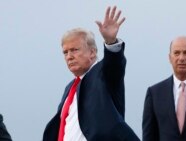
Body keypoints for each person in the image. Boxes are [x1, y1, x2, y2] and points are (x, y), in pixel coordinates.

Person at [43, 6, 140, 141]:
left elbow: (114, 65)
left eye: (74, 50)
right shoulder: (70, 88)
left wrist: (111, 42)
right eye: (65, 52)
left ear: (92, 52)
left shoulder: (103, 73)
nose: (69, 56)